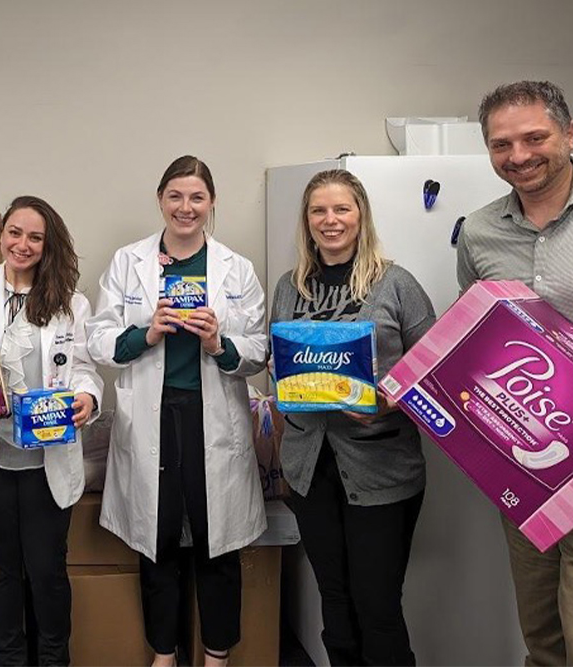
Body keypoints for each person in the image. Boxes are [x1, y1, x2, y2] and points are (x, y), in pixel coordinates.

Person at [86, 155, 268, 667]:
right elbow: (98, 340)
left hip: (213, 419)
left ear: (211, 204)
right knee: (157, 538)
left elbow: (258, 349)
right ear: (160, 200)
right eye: (175, 197)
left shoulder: (236, 268)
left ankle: (216, 654)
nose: (186, 208)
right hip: (153, 416)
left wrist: (217, 344)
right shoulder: (129, 262)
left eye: (197, 197)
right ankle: (163, 654)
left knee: (218, 542)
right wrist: (148, 331)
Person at [272, 169, 435, 666]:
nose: (330, 220)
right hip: (310, 470)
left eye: (341, 209)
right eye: (318, 210)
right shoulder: (289, 287)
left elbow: (435, 374)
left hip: (380, 470)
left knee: (377, 608)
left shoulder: (396, 284)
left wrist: (385, 402)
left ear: (360, 215)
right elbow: (280, 371)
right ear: (306, 220)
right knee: (335, 605)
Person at [0, 195, 102, 666]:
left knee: (47, 571)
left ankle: (53, 660)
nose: (22, 245)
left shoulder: (71, 301)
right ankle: (10, 660)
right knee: (3, 568)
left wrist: (88, 397)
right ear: (1, 235)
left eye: (34, 237)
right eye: (15, 232)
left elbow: (86, 369)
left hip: (46, 457)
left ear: (49, 245)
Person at [457, 80, 573, 666]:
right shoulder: (478, 232)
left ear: (569, 134)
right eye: (502, 144)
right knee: (542, 634)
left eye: (534, 138)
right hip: (526, 464)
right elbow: (472, 337)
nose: (519, 156)